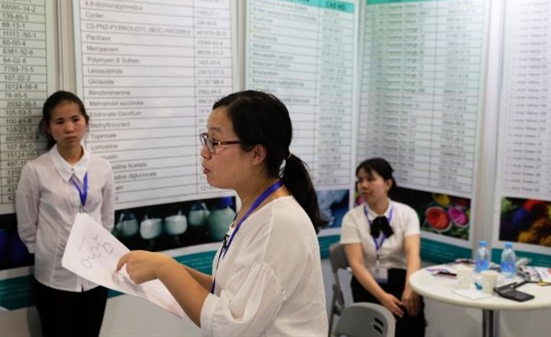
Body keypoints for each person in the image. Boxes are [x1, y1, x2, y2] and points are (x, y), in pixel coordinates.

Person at [116, 90, 327, 336]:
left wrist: (165, 268)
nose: (204, 152)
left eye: (215, 142)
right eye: (207, 139)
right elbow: (227, 291)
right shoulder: (255, 208)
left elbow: (231, 324)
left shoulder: (279, 223)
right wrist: (169, 268)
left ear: (257, 154)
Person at [16, 90, 115, 337]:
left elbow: (107, 217)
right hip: (53, 276)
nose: (69, 127)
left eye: (75, 119)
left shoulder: (102, 167)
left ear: (86, 122)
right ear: (48, 128)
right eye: (60, 122)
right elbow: (27, 225)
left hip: (95, 274)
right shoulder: (36, 170)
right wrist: (46, 251)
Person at [340, 157, 426, 336]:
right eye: (360, 180)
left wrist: (410, 288)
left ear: (388, 184)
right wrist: (382, 297)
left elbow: (413, 254)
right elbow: (356, 264)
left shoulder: (407, 213)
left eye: (370, 179)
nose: (364, 185)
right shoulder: (351, 218)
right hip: (367, 284)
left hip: (402, 281)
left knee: (409, 324)